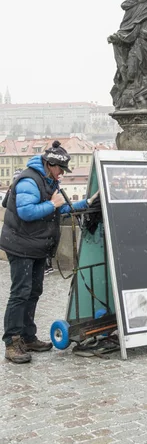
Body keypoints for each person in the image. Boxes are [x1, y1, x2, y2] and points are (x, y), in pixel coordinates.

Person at [0, 140, 98, 364]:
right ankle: (12, 342)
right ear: (50, 164)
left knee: (33, 291)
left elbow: (61, 207)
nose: (62, 174)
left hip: (35, 246)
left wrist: (87, 203)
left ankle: (27, 336)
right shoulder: (29, 180)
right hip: (20, 245)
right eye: (60, 169)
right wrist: (52, 205)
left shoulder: (47, 180)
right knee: (20, 293)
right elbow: (26, 211)